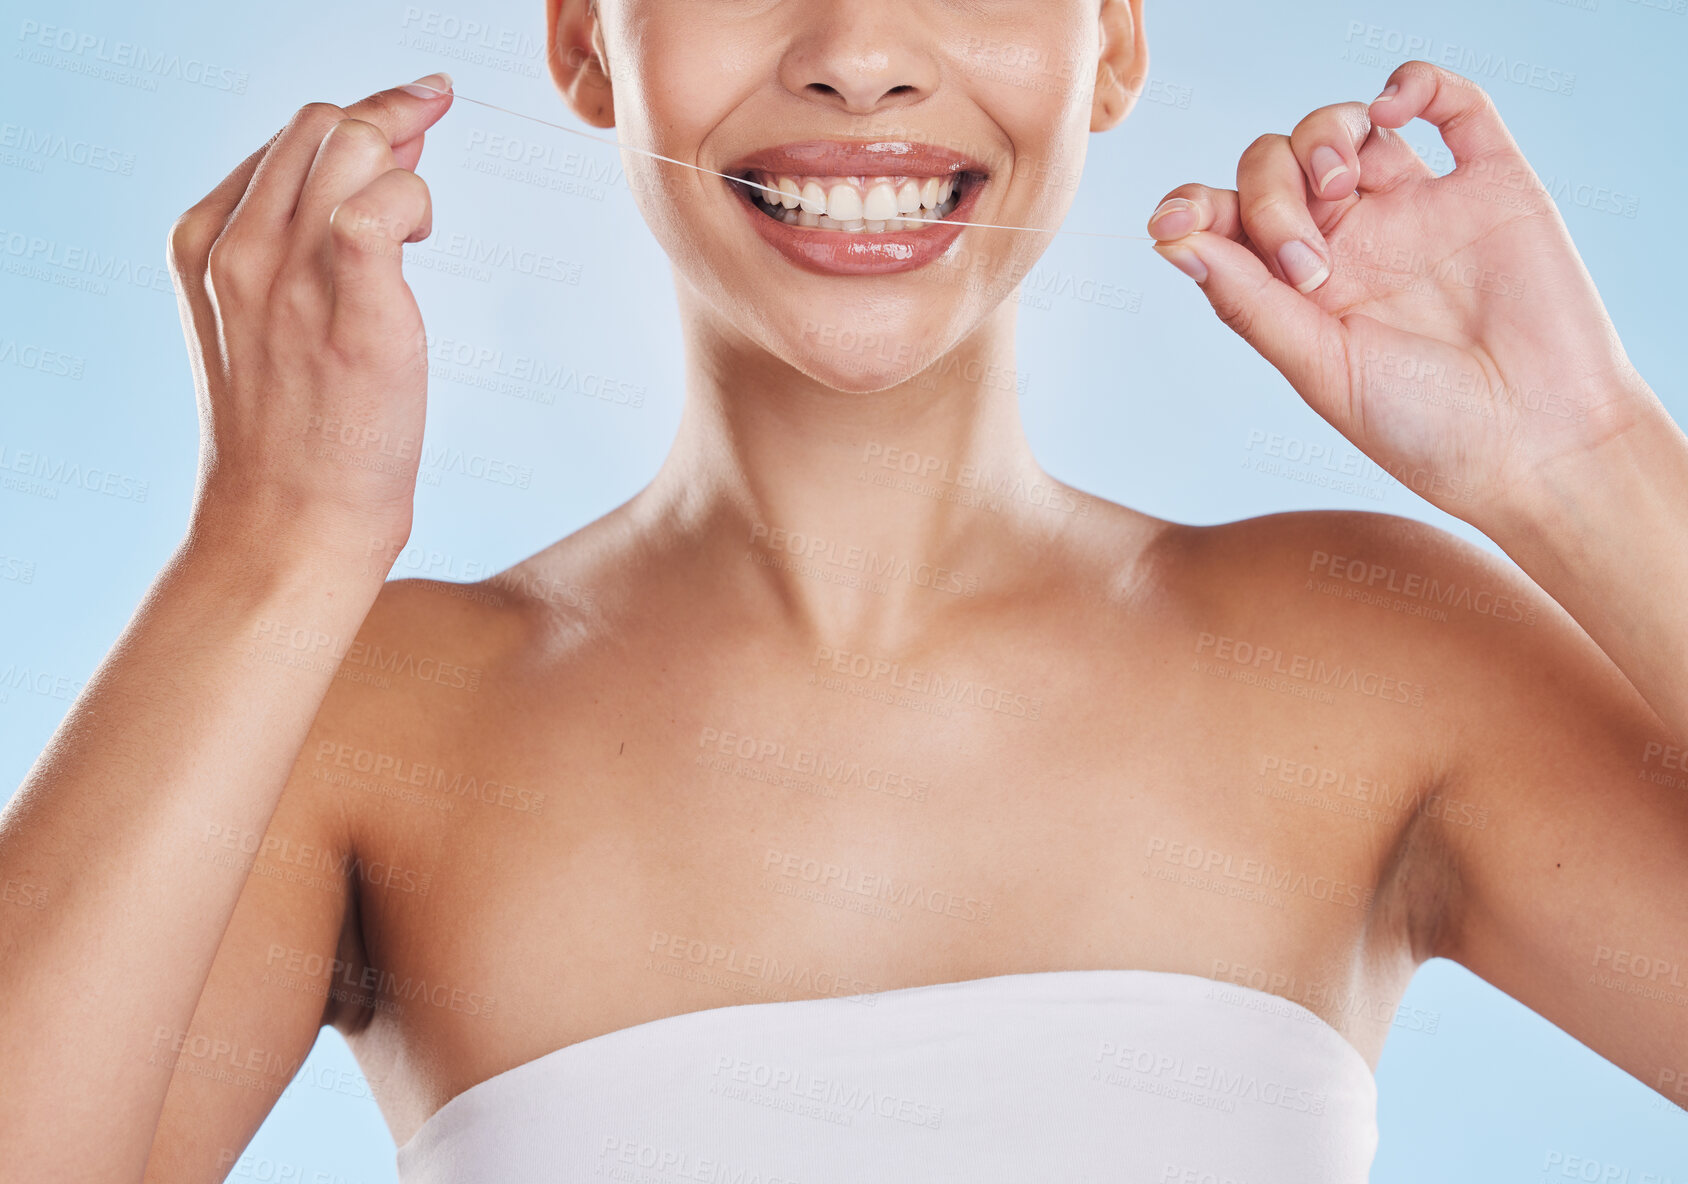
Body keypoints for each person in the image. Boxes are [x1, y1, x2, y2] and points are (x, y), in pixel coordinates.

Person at [2, 0, 1683, 1179]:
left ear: (1116, 38)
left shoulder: (1374, 653)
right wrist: (273, 544)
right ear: (589, 36)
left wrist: (1586, 463)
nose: (862, 55)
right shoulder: (363, 714)